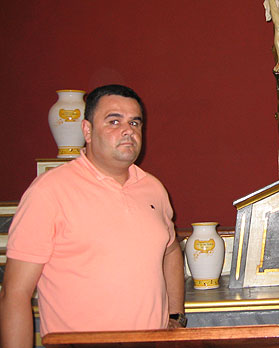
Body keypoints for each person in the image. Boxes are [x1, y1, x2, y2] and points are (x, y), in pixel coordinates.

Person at [0, 84, 186, 348]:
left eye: (135, 122)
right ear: (87, 130)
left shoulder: (153, 188)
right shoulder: (49, 192)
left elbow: (170, 250)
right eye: (114, 121)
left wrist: (175, 316)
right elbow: (14, 295)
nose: (127, 131)